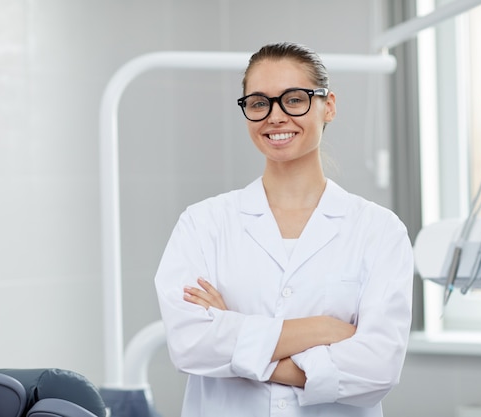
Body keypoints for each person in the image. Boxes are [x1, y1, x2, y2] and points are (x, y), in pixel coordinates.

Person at [154, 42, 413, 417]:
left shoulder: (379, 231)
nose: (275, 117)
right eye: (259, 103)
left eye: (294, 99)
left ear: (329, 106)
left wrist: (235, 336)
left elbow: (378, 368)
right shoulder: (203, 224)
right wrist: (324, 329)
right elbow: (190, 345)